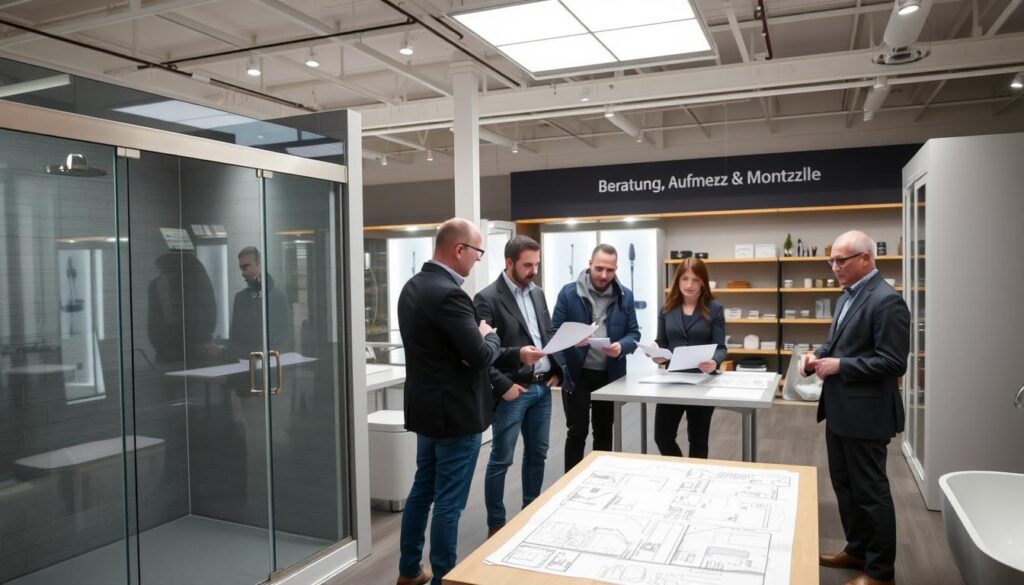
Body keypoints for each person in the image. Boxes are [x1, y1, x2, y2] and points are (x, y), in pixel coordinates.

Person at [395, 218, 501, 585]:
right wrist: (489, 336)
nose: (476, 261)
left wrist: (471, 349)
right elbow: (480, 355)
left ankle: (409, 570)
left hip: (426, 410)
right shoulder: (451, 294)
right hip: (456, 414)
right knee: (449, 502)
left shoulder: (412, 286)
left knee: (423, 488)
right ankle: (444, 577)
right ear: (459, 250)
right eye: (477, 252)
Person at [801, 230, 909, 585]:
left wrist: (841, 366)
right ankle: (858, 549)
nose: (834, 267)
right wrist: (816, 355)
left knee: (871, 492)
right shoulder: (847, 296)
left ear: (866, 258)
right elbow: (835, 342)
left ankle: (880, 572)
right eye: (831, 260)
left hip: (867, 415)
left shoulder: (887, 301)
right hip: (842, 412)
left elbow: (893, 363)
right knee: (846, 486)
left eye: (841, 260)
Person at [474, 235, 560, 539]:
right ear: (509, 263)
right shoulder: (486, 298)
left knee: (538, 453)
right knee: (502, 458)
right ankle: (496, 523)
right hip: (513, 391)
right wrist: (503, 385)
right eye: (527, 265)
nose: (533, 270)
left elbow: (546, 334)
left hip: (542, 388)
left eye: (536, 264)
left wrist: (557, 370)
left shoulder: (537, 293)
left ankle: (531, 511)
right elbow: (482, 352)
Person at [552, 243, 641, 472]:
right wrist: (572, 341)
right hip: (577, 375)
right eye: (599, 268)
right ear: (589, 264)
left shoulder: (625, 296)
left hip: (609, 376)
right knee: (577, 431)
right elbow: (554, 333)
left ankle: (602, 479)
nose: (604, 275)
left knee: (603, 432)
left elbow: (634, 333)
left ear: (616, 268)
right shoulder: (568, 293)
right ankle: (569, 482)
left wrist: (621, 347)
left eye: (610, 270)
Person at [649, 258, 726, 458]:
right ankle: (681, 470)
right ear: (678, 281)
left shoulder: (715, 308)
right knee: (662, 437)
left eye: (695, 280)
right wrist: (657, 355)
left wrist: (715, 361)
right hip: (673, 381)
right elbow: (662, 342)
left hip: (702, 381)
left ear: (703, 282)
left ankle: (694, 480)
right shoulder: (666, 308)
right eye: (685, 279)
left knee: (698, 441)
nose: (689, 285)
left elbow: (721, 348)